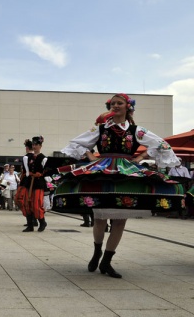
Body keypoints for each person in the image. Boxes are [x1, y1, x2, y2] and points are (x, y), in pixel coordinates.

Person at [54, 93, 184, 278]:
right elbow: (76, 143)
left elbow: (162, 144)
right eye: (112, 103)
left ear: (128, 106)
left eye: (119, 103)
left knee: (120, 219)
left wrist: (140, 157)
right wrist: (92, 158)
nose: (115, 106)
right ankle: (97, 252)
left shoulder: (136, 130)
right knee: (99, 216)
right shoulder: (99, 129)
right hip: (101, 169)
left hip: (125, 170)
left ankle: (106, 261)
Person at [16, 137, 48, 232]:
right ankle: (30, 225)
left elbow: (46, 172)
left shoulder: (44, 158)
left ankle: (42, 222)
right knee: (26, 203)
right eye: (33, 145)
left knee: (36, 205)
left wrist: (41, 174)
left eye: (36, 145)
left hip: (38, 183)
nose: (34, 147)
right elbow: (26, 171)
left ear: (40, 146)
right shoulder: (27, 157)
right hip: (28, 182)